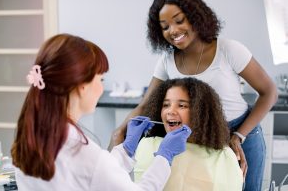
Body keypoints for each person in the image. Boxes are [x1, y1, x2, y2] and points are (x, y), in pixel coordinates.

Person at [108, 0, 278, 190]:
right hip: (200, 139)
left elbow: (269, 92)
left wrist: (239, 135)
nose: (173, 30)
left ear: (196, 17)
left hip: (240, 133)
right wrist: (120, 132)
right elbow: (145, 105)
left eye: (179, 20)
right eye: (165, 27)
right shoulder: (166, 61)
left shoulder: (228, 50)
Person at [10, 33, 191, 191]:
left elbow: (93, 176)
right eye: (101, 79)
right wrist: (164, 156)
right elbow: (95, 170)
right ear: (82, 86)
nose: (102, 86)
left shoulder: (33, 136)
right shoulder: (79, 149)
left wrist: (126, 150)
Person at [134, 77, 243, 190]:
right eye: (166, 105)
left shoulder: (224, 157)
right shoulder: (148, 145)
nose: (170, 111)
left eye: (182, 105)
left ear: (200, 113)